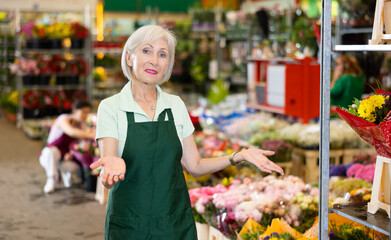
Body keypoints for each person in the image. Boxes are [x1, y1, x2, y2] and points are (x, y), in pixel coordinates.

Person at [90, 25, 284, 240]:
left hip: (175, 225)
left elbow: (195, 166)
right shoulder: (111, 107)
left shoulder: (175, 105)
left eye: (162, 54)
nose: (154, 60)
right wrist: (111, 169)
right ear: (129, 57)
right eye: (146, 51)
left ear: (168, 65)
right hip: (129, 226)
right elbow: (107, 175)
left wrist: (239, 156)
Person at [39, 100, 95, 193]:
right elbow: (71, 132)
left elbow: (79, 145)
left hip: (64, 157)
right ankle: (51, 179)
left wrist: (71, 153)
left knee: (73, 165)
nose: (86, 115)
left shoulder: (82, 126)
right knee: (52, 152)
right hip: (50, 156)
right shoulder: (64, 119)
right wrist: (93, 134)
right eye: (83, 112)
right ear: (74, 111)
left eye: (88, 113)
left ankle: (66, 174)